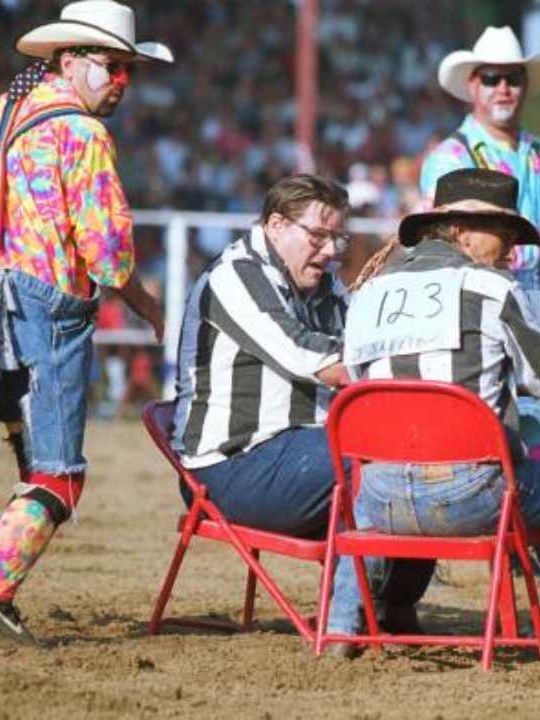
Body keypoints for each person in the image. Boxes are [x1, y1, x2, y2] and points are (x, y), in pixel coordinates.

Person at [331, 168, 540, 666]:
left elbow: (357, 383)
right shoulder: (492, 289)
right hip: (469, 498)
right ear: (460, 232)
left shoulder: (366, 293)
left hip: (378, 499)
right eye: (503, 236)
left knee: (375, 482)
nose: (512, 251)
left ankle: (339, 628)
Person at [0, 0, 170, 647]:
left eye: (126, 69)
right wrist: (146, 304)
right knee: (57, 472)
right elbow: (106, 255)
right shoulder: (82, 134)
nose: (121, 82)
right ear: (73, 60)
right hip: (45, 307)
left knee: (15, 445)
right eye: (112, 66)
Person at [169, 174, 432, 649]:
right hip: (230, 469)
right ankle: (354, 617)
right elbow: (311, 355)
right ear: (275, 225)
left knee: (422, 451)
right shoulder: (235, 275)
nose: (331, 250)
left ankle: (391, 606)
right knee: (378, 460)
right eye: (318, 235)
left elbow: (368, 342)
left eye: (338, 237)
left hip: (300, 455)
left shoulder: (324, 287)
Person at [422, 26, 540, 461]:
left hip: (536, 324)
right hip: (471, 327)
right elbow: (438, 249)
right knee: (476, 446)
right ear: (472, 85)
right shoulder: (449, 158)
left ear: (525, 86)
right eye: (491, 77)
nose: (502, 88)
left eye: (512, 78)